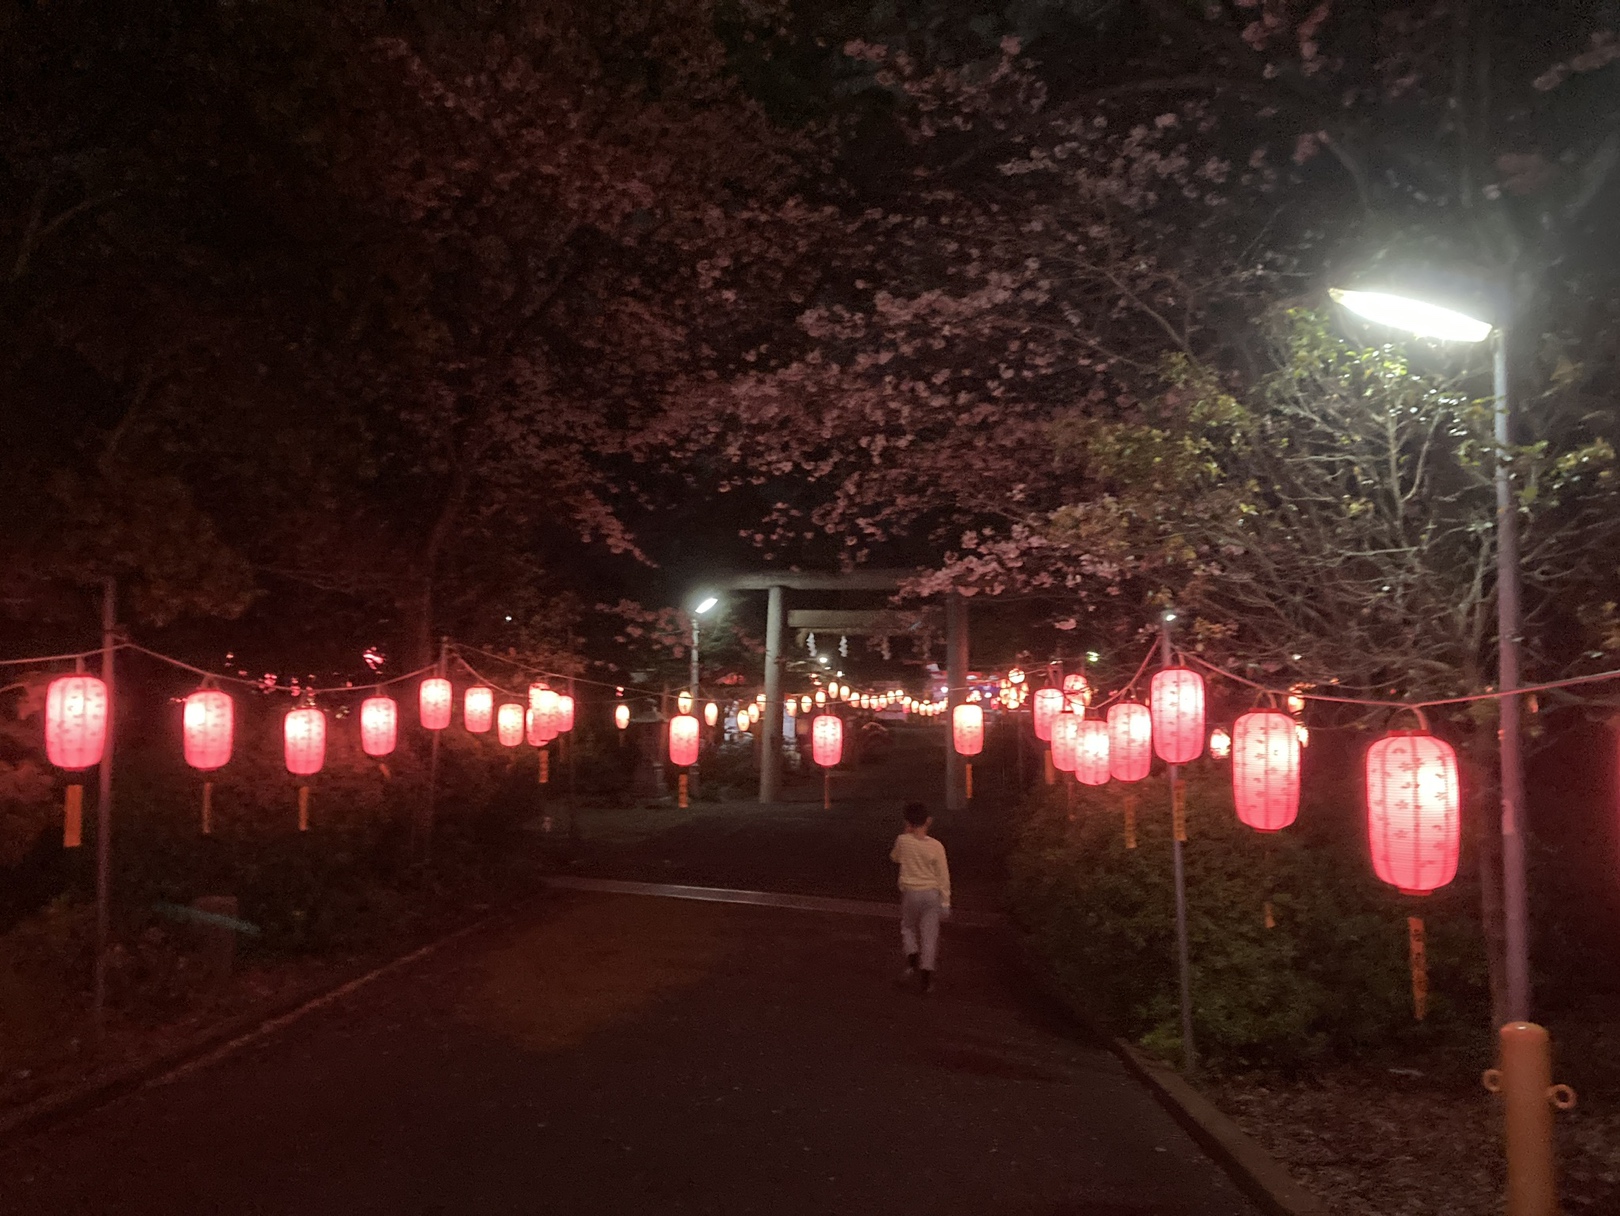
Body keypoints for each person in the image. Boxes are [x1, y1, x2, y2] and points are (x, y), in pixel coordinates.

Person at [889, 801, 951, 993]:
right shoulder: (936, 846)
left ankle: (912, 957)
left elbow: (895, 857)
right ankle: (926, 977)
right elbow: (943, 875)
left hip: (910, 892)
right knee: (930, 934)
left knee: (907, 927)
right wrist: (946, 901)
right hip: (932, 894)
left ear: (907, 822)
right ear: (928, 821)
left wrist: (906, 833)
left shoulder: (903, 840)